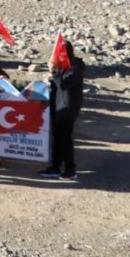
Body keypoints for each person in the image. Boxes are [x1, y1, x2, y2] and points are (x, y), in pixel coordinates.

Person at [41, 40, 85, 181]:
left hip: (68, 107)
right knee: (57, 138)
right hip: (56, 105)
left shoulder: (77, 66)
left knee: (65, 139)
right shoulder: (60, 65)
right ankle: (55, 166)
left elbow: (64, 84)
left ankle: (70, 169)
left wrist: (53, 72)